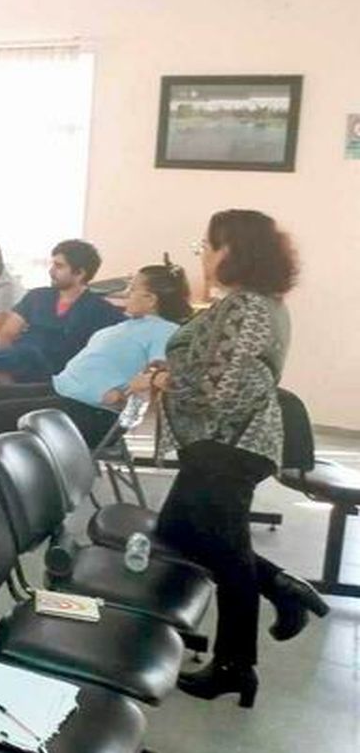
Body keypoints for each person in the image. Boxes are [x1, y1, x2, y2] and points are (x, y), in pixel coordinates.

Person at [136, 210, 327, 706]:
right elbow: (219, 367)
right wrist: (175, 365)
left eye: (207, 245)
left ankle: (236, 664)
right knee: (182, 534)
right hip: (226, 445)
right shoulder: (255, 304)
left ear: (232, 251)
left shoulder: (249, 308)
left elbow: (221, 391)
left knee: (227, 551)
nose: (202, 254)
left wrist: (164, 380)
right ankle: (281, 589)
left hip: (230, 446)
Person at [0, 238, 122, 466]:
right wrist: (5, 374)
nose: (51, 271)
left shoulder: (101, 311)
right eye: (52, 264)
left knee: (32, 352)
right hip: (14, 367)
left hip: (54, 377)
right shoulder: (37, 297)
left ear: (80, 273)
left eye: (59, 266)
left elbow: (113, 352)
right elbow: (6, 335)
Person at [0, 260, 191, 449]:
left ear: (151, 299)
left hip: (94, 413)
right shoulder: (129, 324)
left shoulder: (166, 331)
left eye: (132, 290)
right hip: (65, 390)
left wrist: (124, 400)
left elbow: (157, 375)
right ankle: (12, 463)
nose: (126, 294)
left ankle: (18, 477)